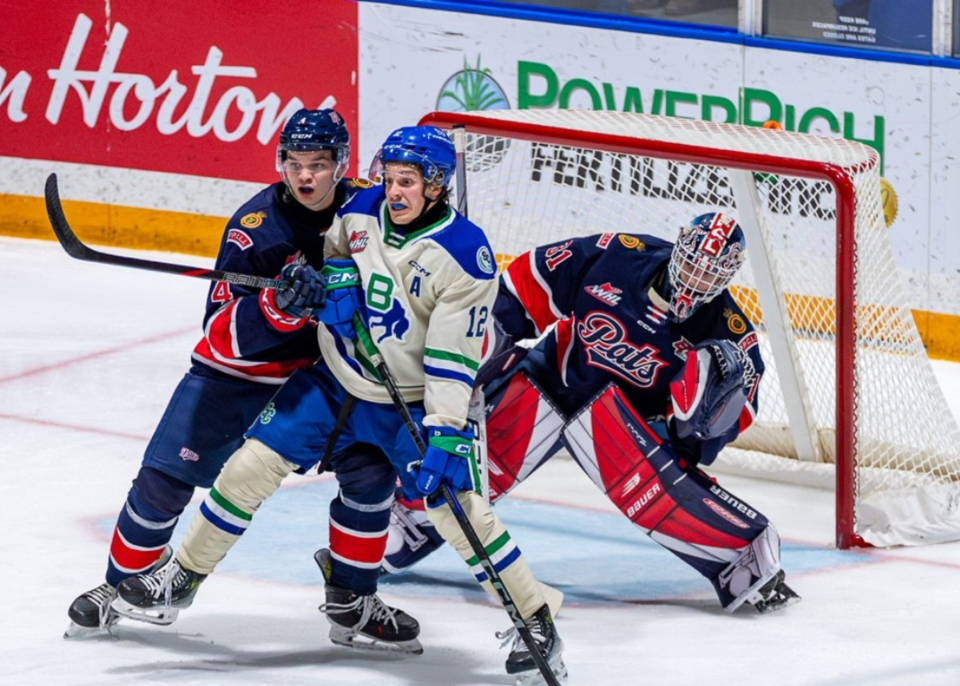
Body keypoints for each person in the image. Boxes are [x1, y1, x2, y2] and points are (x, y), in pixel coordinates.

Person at [112, 126, 567, 683]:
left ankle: (536, 618)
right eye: (389, 179)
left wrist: (446, 430)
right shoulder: (361, 211)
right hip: (336, 379)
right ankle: (181, 576)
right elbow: (335, 252)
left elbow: (452, 359)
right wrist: (339, 278)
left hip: (417, 404)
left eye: (408, 182)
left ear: (437, 186)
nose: (394, 192)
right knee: (246, 468)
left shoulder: (464, 257)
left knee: (460, 511)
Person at [383, 212, 801, 615]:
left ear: (728, 276)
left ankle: (743, 559)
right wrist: (480, 345)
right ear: (678, 247)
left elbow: (715, 434)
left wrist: (700, 420)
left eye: (712, 273)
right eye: (693, 263)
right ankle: (409, 521)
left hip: (625, 423)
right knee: (479, 462)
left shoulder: (730, 336)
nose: (696, 279)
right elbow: (528, 283)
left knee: (654, 492)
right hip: (552, 380)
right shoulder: (617, 255)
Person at [65, 108, 362, 637]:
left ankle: (353, 603)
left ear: (340, 164)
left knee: (370, 472)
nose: (305, 176)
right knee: (163, 481)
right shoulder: (256, 231)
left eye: (318, 163)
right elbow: (219, 332)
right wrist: (280, 309)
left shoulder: (365, 209)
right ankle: (120, 585)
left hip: (321, 380)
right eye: (294, 163)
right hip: (237, 379)